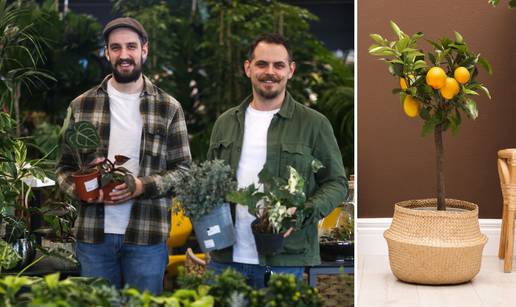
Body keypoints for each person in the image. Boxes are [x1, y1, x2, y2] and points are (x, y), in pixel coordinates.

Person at [56, 17, 191, 294]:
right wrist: (80, 189)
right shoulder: (81, 105)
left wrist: (142, 186)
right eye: (115, 48)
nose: (124, 55)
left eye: (131, 46)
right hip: (94, 238)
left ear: (145, 49)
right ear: (107, 53)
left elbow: (184, 171)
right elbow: (63, 168)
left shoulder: (168, 107)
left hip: (147, 237)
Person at [206, 33, 347, 288]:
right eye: (262, 64)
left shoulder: (313, 124)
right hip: (225, 259)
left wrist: (301, 212)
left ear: (290, 70)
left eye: (278, 65)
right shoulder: (225, 123)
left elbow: (336, 183)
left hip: (284, 261)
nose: (270, 72)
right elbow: (209, 184)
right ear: (248, 67)